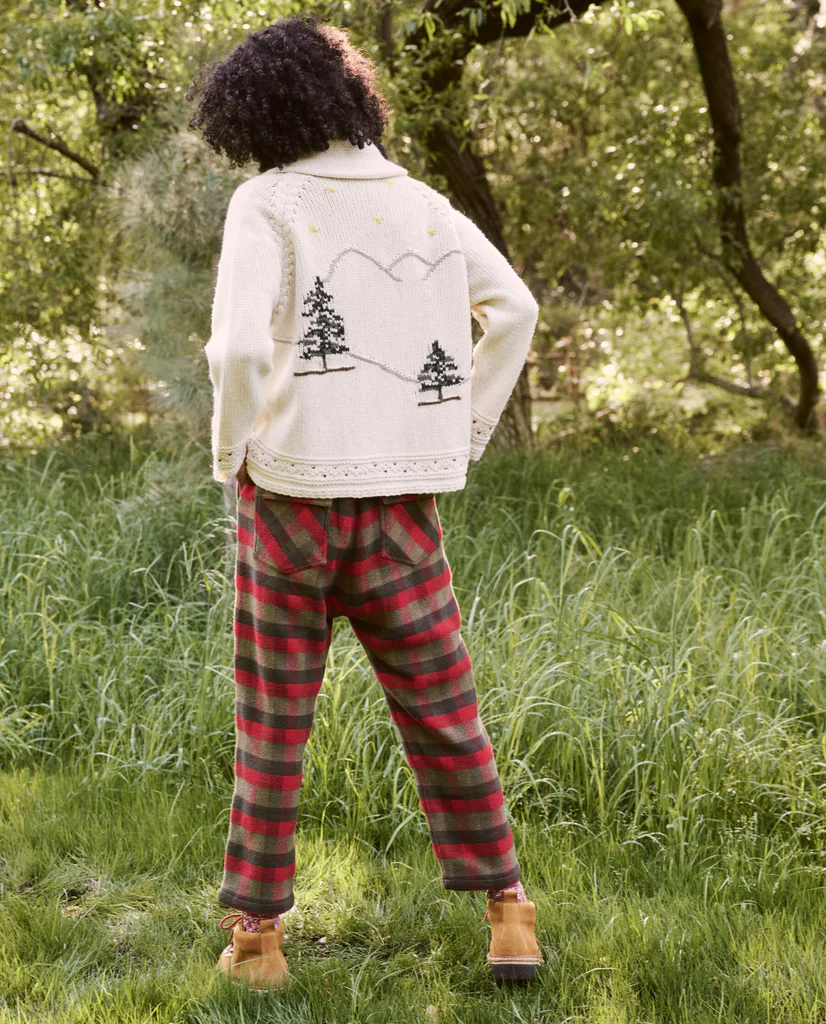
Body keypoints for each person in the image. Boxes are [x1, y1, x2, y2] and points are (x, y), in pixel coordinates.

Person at [187, 12, 542, 992]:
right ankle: (509, 913)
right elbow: (515, 309)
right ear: (349, 96)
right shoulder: (424, 203)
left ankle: (257, 940)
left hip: (289, 501)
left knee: (273, 722)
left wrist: (230, 451)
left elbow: (237, 350)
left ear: (256, 112)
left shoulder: (266, 202)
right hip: (401, 510)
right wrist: (462, 430)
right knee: (445, 710)